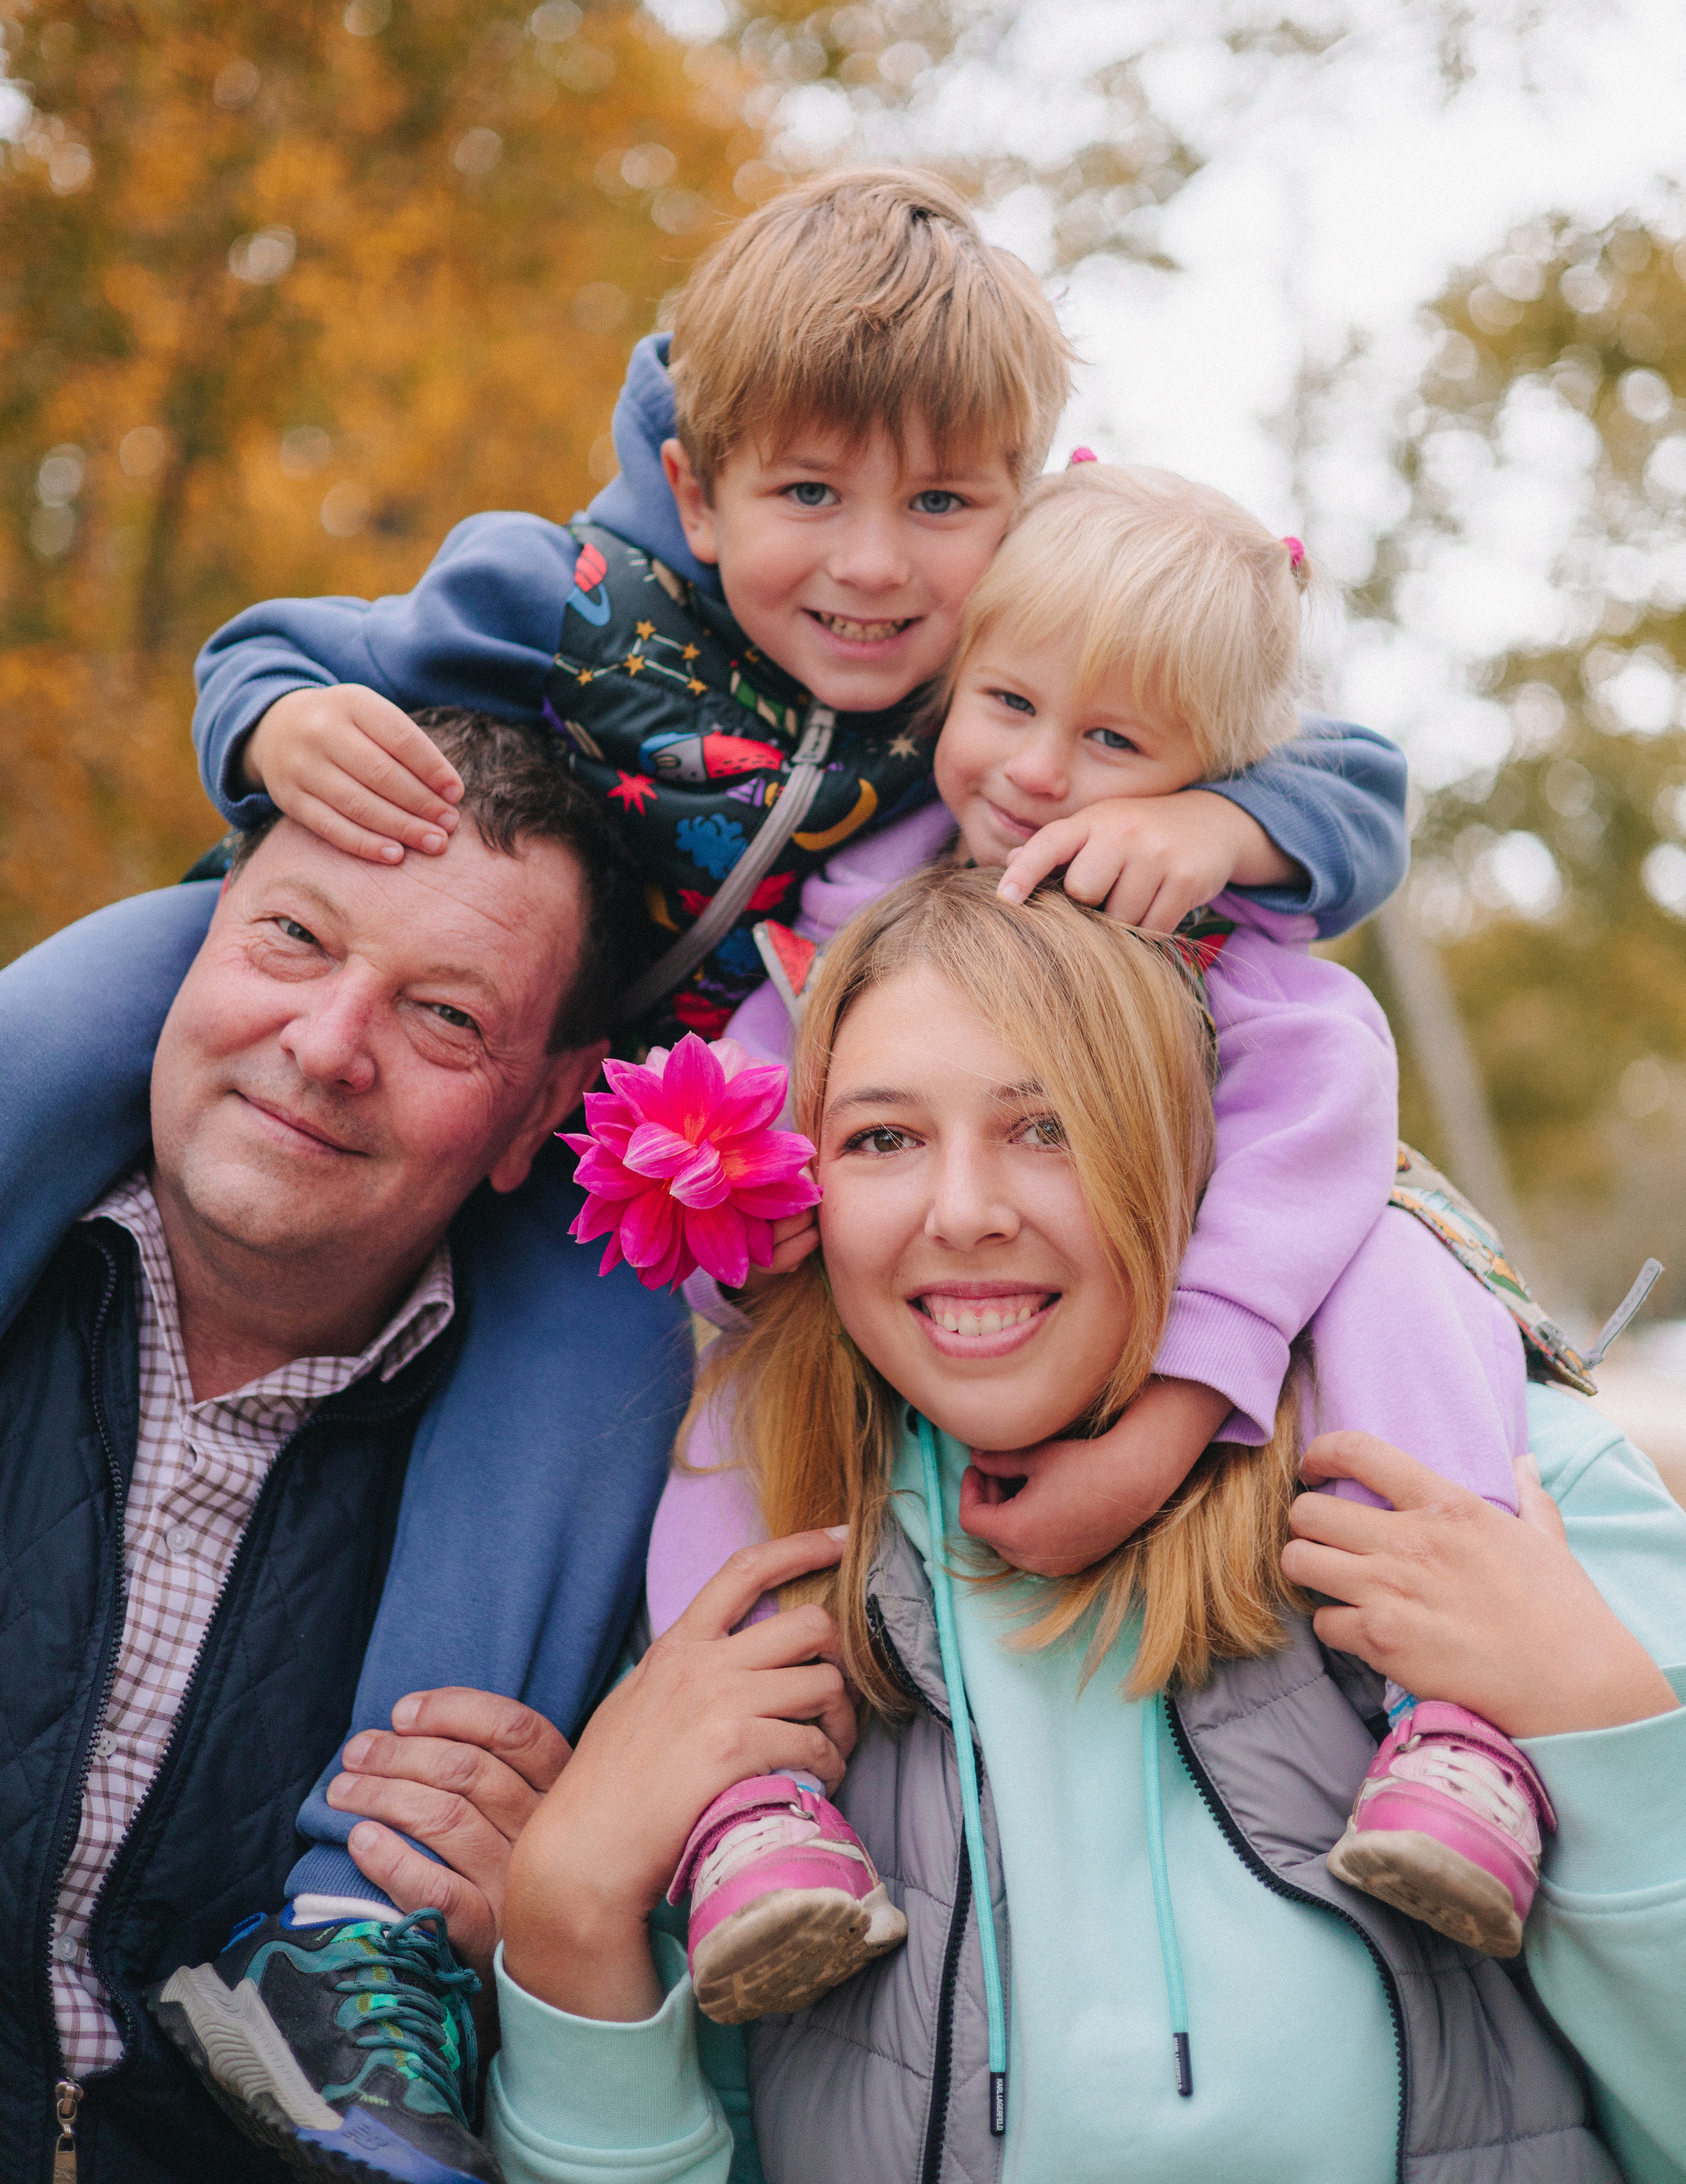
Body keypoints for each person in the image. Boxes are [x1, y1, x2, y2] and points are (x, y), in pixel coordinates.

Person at [0, 176, 1412, 1936]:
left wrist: (1230, 822)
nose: (876, 564)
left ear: (1025, 510)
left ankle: (356, 1927)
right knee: (68, 1012)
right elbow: (283, 641)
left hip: (627, 1126)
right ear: (698, 483)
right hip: (372, 970)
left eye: (943, 505)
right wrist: (279, 723)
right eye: (809, 495)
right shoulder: (563, 592)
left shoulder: (997, 674)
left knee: (588, 1382)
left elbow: (1342, 767)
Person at [485, 871, 1686, 2184]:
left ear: (1191, 1156)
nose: (962, 1210)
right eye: (882, 1139)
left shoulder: (1493, 1489)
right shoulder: (744, 1591)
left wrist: (1606, 1732)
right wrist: (563, 1923)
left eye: (1044, 1126)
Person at [638, 461, 1560, 2025]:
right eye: (1006, 703)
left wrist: (1174, 1412)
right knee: (737, 1393)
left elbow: (1313, 1149)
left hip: (1201, 1330)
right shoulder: (857, 892)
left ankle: (1459, 1719)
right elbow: (770, 1072)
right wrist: (727, 1190)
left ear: (1216, 779)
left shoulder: (1213, 933)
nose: (1041, 773)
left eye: (1118, 744)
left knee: (1399, 1268)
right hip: (936, 1335)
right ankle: (747, 1796)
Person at [0, 711, 692, 2184]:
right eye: (295, 939)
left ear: (541, 1112)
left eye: (446, 1017)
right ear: (189, 946)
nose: (326, 1048)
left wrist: (537, 1960)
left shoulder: (622, 1531)